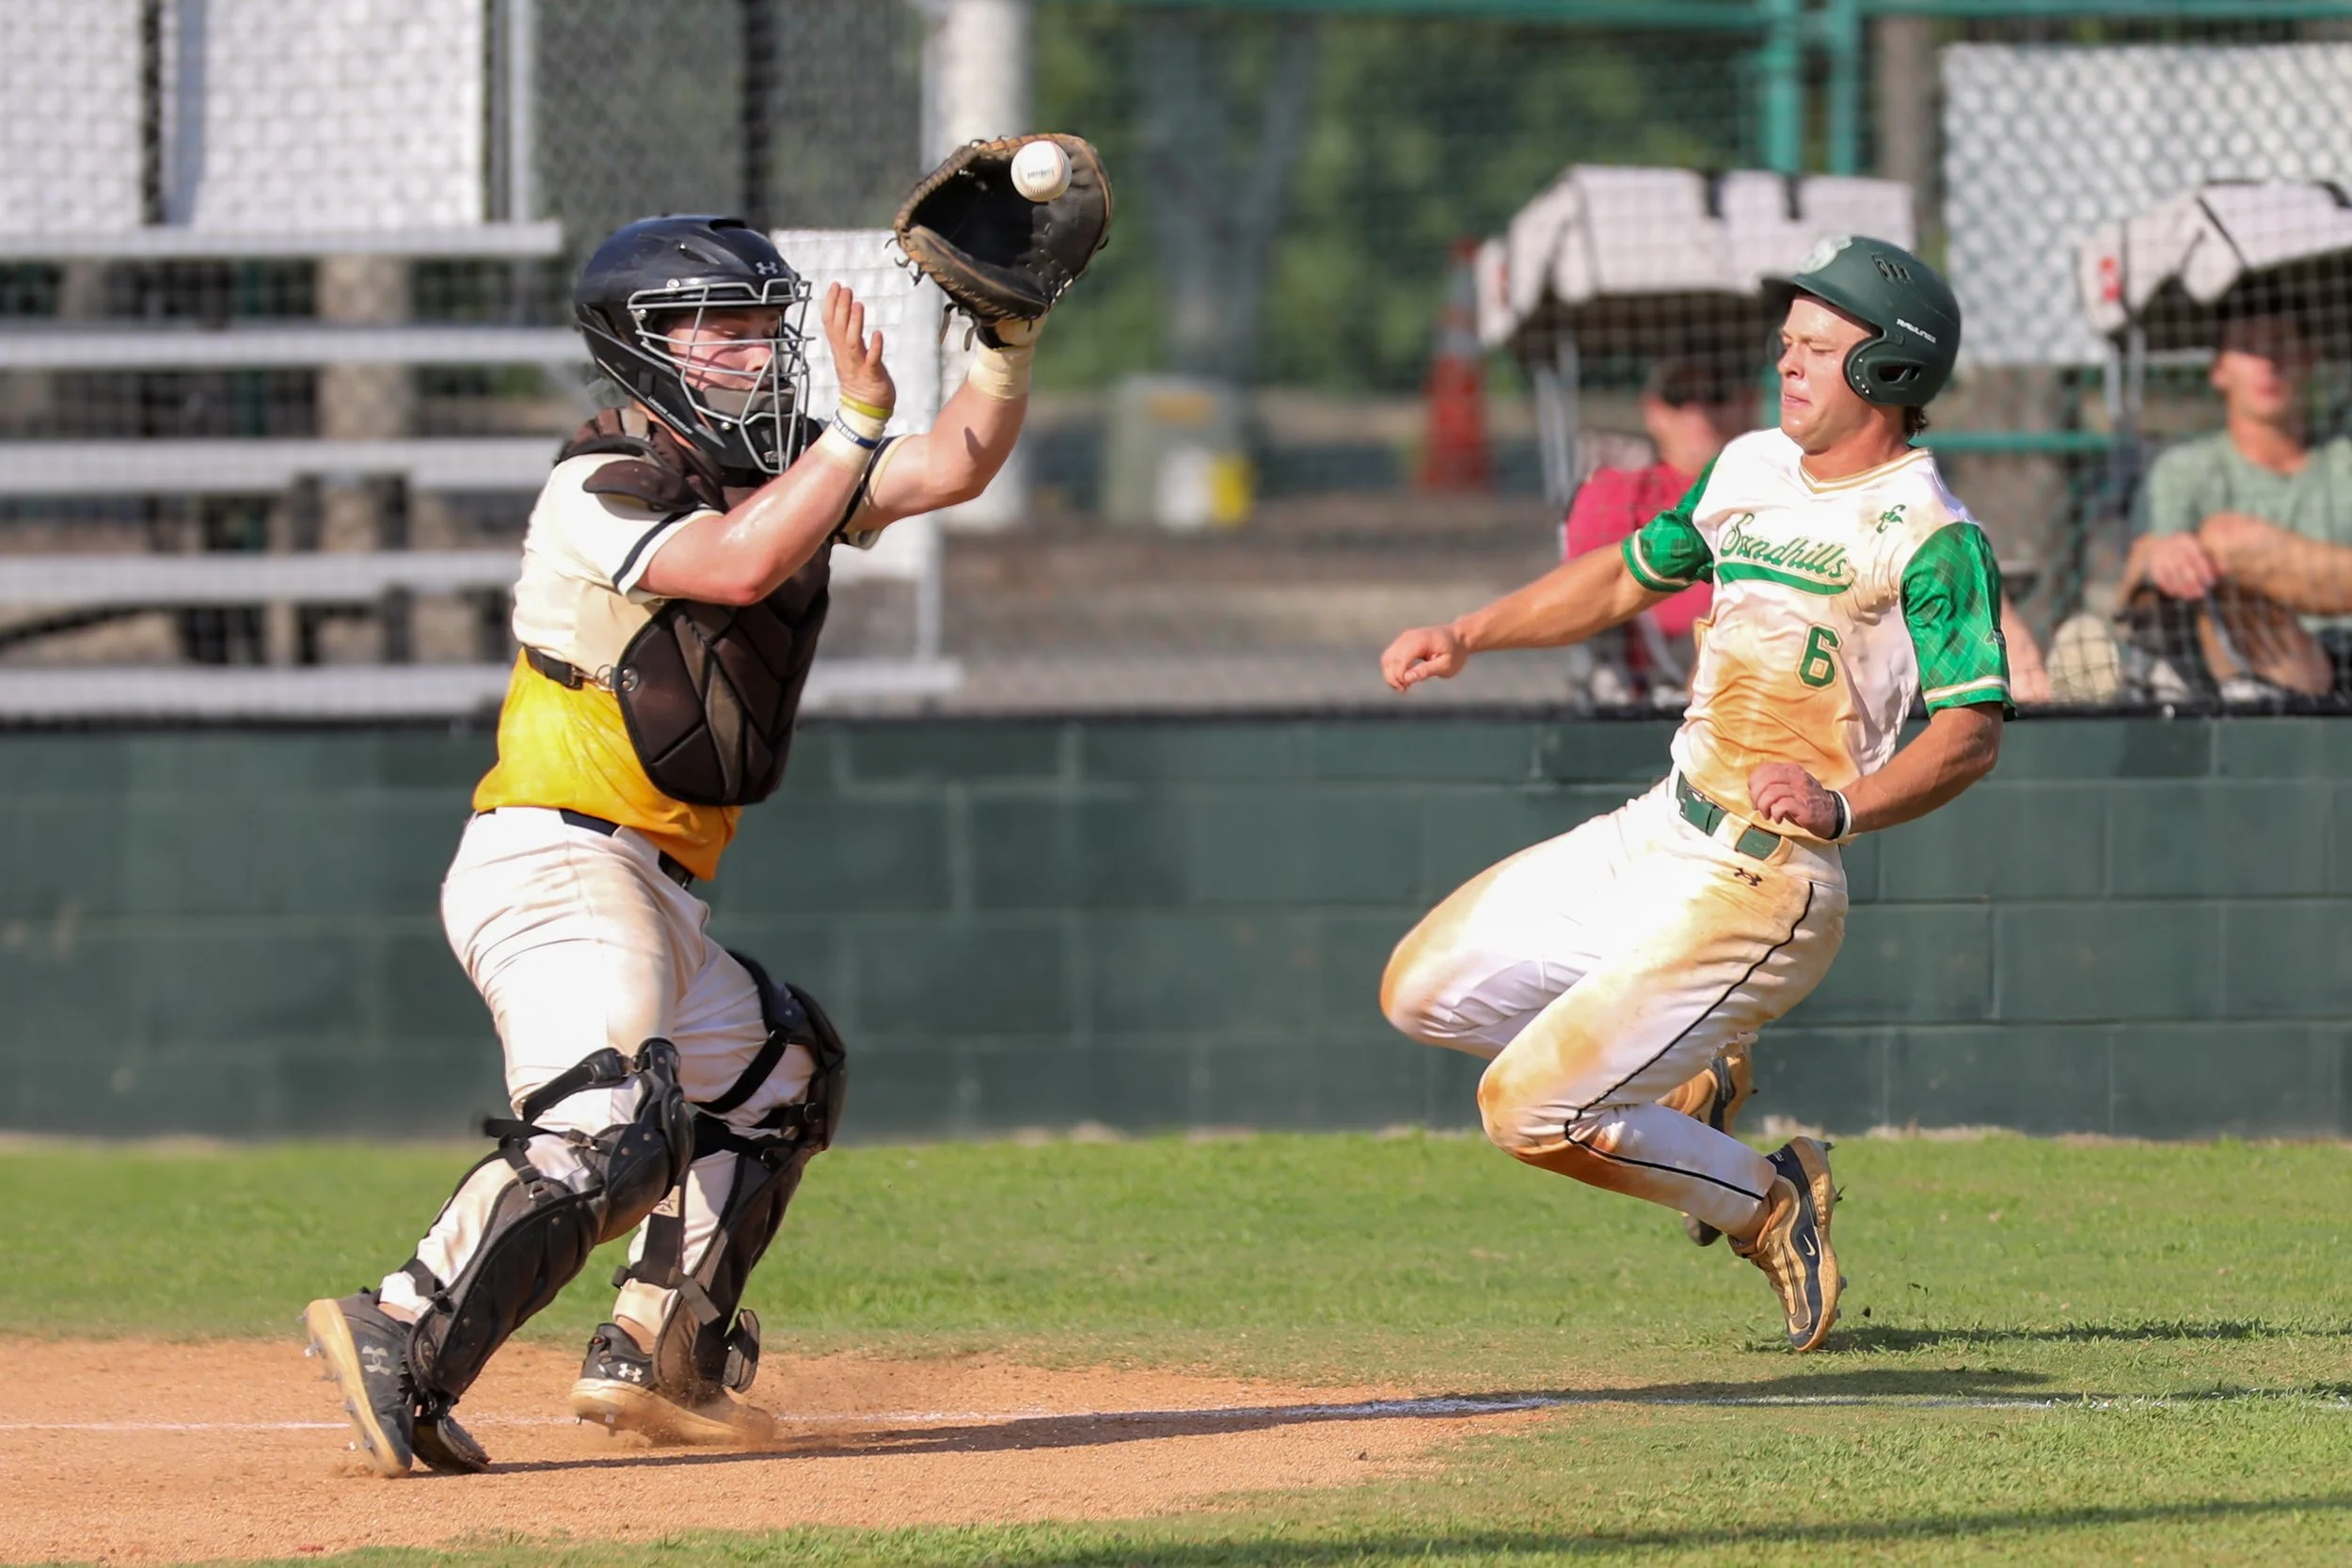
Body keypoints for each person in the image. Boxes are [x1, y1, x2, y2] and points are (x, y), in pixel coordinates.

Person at [299, 214, 1046, 1475]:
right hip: (554, 863)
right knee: (608, 1127)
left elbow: (957, 465)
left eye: (762, 325)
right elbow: (742, 565)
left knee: (781, 1074)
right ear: (636, 355)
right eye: (716, 329)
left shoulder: (790, 468)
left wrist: (1009, 340)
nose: (752, 352)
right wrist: (858, 425)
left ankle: (665, 1343)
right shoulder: (596, 489)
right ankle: (402, 1321)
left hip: (654, 891)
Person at [1376, 236, 2011, 1353]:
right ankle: (1688, 1075)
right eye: (1788, 345)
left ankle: (1767, 1199)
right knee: (1420, 993)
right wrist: (1466, 632)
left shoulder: (1930, 534)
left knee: (1524, 1109)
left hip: (1765, 883)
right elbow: (1630, 571)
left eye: (1819, 348)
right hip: (1662, 828)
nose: (1790, 365)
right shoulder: (1749, 466)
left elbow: (1969, 733)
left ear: (1891, 372)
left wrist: (1844, 804)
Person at [2121, 298, 2352, 698]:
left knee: (2226, 539)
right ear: (2219, 369)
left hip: (2341, 659)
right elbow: (2138, 573)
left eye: (2282, 342)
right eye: (2248, 346)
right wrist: (2165, 555)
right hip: (2232, 661)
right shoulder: (2185, 469)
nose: (2269, 362)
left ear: (2311, 357)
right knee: (2175, 564)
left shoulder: (2343, 462)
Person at [1562, 358, 1752, 705]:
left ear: (1747, 402)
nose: (1698, 411)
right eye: (1679, 397)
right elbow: (1590, 592)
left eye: (1716, 395)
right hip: (1649, 695)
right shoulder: (1616, 491)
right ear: (1653, 410)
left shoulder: (1777, 492)